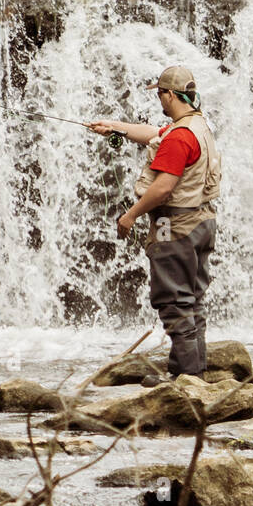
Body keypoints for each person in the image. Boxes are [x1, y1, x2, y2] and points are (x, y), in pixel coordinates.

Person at [87, 66, 222, 386]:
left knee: (172, 300)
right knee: (193, 298)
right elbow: (155, 133)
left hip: (173, 226)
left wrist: (130, 215)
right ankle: (191, 369)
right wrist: (115, 127)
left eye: (161, 93)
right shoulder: (197, 124)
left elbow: (162, 189)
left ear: (171, 95)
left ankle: (187, 377)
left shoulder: (178, 139)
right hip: (203, 222)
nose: (159, 98)